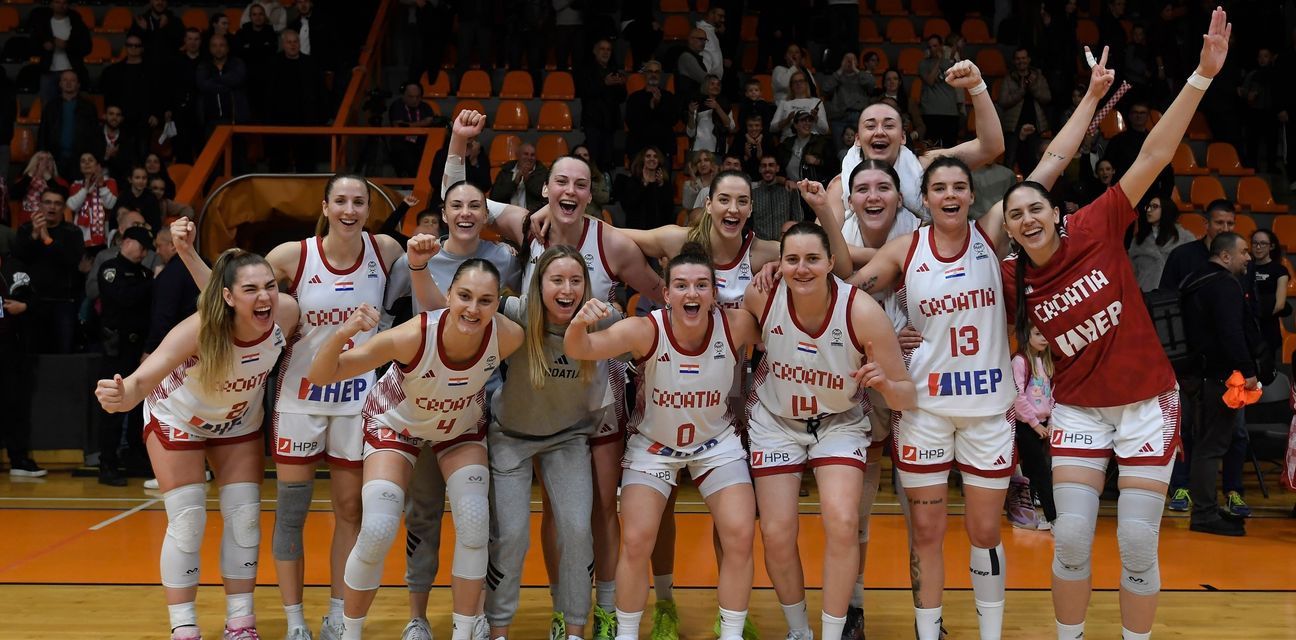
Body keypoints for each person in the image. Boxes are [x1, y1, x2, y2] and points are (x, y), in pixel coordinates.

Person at [998, 11, 1231, 637]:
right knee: (1072, 537)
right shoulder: (1011, 276)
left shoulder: (1097, 223)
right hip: (1079, 407)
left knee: (1135, 544)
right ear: (1009, 230)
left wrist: (1202, 77)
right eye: (1015, 214)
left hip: (1147, 402)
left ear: (1055, 211)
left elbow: (1154, 152)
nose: (1027, 218)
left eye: (1035, 207)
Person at [171, 174, 441, 640]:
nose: (350, 210)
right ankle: (295, 620)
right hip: (300, 398)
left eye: (359, 202)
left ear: (368, 209)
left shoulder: (385, 250)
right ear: (325, 206)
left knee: (350, 510)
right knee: (292, 513)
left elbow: (424, 299)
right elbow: (226, 297)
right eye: (341, 201)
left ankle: (337, 614)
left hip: (357, 399)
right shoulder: (292, 255)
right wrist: (188, 253)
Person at [444, 109, 667, 640]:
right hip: (528, 383)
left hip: (590, 391)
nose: (570, 191)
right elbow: (460, 202)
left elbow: (664, 296)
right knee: (521, 529)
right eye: (561, 182)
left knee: (591, 514)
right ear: (546, 189)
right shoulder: (526, 228)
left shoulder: (612, 244)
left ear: (591, 194)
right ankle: (529, 615)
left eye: (580, 184)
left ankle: (596, 611)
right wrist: (457, 143)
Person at [306, 261, 524, 640]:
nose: (473, 308)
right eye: (465, 296)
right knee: (378, 529)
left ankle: (463, 632)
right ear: (448, 296)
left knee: (474, 522)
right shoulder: (411, 336)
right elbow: (320, 375)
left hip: (458, 426)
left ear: (497, 303)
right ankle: (350, 633)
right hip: (396, 424)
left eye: (485, 300)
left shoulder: (509, 336)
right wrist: (343, 332)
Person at [94, 248, 301, 640]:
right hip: (178, 417)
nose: (265, 297)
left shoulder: (287, 314)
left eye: (270, 286)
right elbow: (139, 382)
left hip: (238, 421)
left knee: (245, 518)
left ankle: (240, 623)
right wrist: (119, 396)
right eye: (251, 289)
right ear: (228, 297)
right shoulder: (198, 330)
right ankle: (184, 627)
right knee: (188, 521)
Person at [563, 245, 762, 640]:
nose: (692, 293)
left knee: (740, 534)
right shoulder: (646, 330)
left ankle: (732, 633)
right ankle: (627, 634)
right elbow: (578, 348)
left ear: (714, 293)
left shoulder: (736, 325)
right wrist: (578, 323)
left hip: (715, 443)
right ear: (667, 294)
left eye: (702, 285)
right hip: (654, 447)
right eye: (682, 285)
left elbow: (784, 330)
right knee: (637, 541)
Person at [742, 221, 914, 640]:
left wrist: (885, 384)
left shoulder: (862, 312)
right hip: (776, 421)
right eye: (792, 259)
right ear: (779, 264)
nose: (802, 268)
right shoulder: (761, 296)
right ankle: (799, 631)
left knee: (842, 521)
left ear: (832, 262)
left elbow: (906, 395)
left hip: (838, 422)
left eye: (812, 259)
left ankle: (834, 633)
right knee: (776, 533)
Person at [380, 181, 519, 640]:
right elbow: (389, 323)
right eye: (456, 205)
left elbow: (515, 320)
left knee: (480, 519)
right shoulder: (415, 259)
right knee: (422, 513)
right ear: (443, 212)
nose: (465, 213)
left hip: (480, 406)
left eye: (475, 206)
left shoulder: (504, 260)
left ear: (486, 214)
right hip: (422, 402)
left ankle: (473, 616)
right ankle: (417, 617)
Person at [484, 246, 620, 640]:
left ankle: (574, 628)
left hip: (568, 437)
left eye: (575, 280)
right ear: (539, 285)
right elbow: (461, 311)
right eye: (556, 280)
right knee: (511, 537)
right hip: (510, 437)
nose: (567, 289)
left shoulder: (601, 318)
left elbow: (647, 337)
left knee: (577, 531)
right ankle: (497, 630)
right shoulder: (517, 312)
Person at [839, 59, 1004, 227]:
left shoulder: (924, 166)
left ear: (903, 138)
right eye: (870, 126)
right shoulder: (841, 185)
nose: (879, 132)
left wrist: (977, 86)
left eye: (889, 125)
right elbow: (831, 239)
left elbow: (990, 147)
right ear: (857, 139)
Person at [1182, 231, 1257, 537]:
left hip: (1193, 375)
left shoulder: (1193, 279)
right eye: (1244, 252)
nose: (1249, 258)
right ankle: (1205, 513)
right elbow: (1231, 332)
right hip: (1215, 378)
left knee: (1204, 443)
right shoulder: (1224, 284)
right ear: (1225, 256)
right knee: (1211, 446)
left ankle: (1206, 508)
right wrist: (1248, 369)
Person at [94, 226, 156, 486]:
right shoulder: (110, 269)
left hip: (139, 349)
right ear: (127, 242)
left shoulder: (145, 273)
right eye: (141, 247)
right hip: (116, 348)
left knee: (139, 405)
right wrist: (151, 284)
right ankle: (107, 462)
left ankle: (134, 455)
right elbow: (124, 298)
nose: (144, 253)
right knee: (113, 406)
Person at [13, 187, 82, 353]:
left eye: (57, 203)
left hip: (63, 302)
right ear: (40, 205)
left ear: (63, 208)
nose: (52, 207)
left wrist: (47, 239)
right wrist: (34, 236)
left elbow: (71, 261)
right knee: (31, 354)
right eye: (48, 202)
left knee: (63, 354)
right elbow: (18, 258)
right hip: (31, 302)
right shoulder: (26, 229)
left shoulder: (73, 232)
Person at [1009, 322, 1057, 530]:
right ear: (1026, 335)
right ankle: (1054, 518)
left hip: (1042, 425)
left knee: (1031, 472)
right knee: (1042, 471)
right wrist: (1035, 424)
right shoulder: (1020, 361)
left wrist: (1050, 422)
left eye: (1046, 333)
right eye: (1038, 333)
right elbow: (1017, 396)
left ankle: (1025, 517)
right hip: (1026, 425)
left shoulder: (1046, 362)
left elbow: (1052, 396)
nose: (1043, 338)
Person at [0, 249, 44, 477]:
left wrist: (23, 307)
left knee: (14, 404)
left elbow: (36, 300)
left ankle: (18, 459)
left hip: (10, 348)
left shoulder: (13, 267)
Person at [1126, 189, 1193, 292]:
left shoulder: (1184, 238)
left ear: (1166, 210)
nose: (1149, 210)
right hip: (1145, 294)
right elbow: (1131, 272)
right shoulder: (1139, 239)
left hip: (1173, 295)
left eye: (1155, 206)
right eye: (1148, 207)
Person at [578, 38, 628, 173]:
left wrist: (621, 85)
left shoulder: (614, 71)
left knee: (607, 161)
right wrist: (604, 83)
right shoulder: (587, 70)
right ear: (595, 51)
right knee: (594, 159)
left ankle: (606, 184)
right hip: (593, 122)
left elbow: (622, 97)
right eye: (602, 49)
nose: (605, 52)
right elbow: (585, 92)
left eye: (608, 49)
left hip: (610, 123)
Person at [999, 47, 1052, 172]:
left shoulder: (1038, 77)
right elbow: (1003, 101)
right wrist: (1021, 91)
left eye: (1023, 58)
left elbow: (1047, 97)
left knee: (1034, 161)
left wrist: (1032, 88)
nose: (1021, 61)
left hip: (1035, 126)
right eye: (1018, 59)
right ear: (1014, 61)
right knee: (1010, 161)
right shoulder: (1008, 78)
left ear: (1028, 59)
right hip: (1013, 127)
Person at [37, 70, 99, 178]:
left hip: (80, 160)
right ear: (60, 84)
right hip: (55, 159)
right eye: (65, 80)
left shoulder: (88, 107)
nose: (68, 83)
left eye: (72, 80)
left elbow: (95, 134)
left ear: (78, 84)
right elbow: (43, 133)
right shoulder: (50, 107)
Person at [30, 0, 91, 105]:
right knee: (48, 107)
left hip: (72, 71)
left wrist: (67, 45)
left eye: (64, 3)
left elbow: (87, 47)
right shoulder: (42, 23)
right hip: (48, 72)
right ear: (51, 4)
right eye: (57, 2)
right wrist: (44, 46)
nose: (61, 5)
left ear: (68, 5)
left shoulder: (76, 22)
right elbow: (32, 46)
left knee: (73, 106)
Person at [624, 60, 681, 168]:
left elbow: (673, 120)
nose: (653, 75)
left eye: (657, 72)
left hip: (663, 149)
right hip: (639, 149)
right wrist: (650, 106)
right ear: (645, 74)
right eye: (650, 71)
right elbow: (632, 123)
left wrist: (658, 105)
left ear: (661, 75)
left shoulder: (669, 97)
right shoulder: (634, 98)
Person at [1248, 228, 1289, 376]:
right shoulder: (1246, 267)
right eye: (1255, 243)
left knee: (1267, 371)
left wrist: (1258, 315)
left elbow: (1280, 304)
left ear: (1271, 246)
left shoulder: (1279, 270)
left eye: (1263, 243)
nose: (1258, 247)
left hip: (1268, 326)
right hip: (1248, 326)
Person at [67, 153, 119, 251]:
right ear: (80, 167)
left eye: (90, 160)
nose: (87, 163)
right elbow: (72, 206)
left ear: (98, 165)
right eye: (83, 161)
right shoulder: (76, 185)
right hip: (81, 236)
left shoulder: (110, 182)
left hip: (103, 236)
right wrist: (85, 188)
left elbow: (110, 205)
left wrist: (101, 185)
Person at [820, 53, 874, 147]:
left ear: (857, 63)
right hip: (839, 118)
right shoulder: (836, 77)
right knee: (840, 149)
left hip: (858, 117)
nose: (849, 62)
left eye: (852, 60)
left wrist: (855, 70)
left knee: (859, 148)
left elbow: (871, 84)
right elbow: (825, 88)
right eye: (847, 59)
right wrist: (841, 70)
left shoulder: (862, 76)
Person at [615, 146, 674, 230]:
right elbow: (629, 205)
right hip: (638, 230)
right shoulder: (634, 181)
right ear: (642, 159)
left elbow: (669, 210)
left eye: (655, 156)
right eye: (648, 156)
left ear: (659, 160)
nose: (652, 159)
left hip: (660, 230)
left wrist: (661, 185)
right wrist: (644, 184)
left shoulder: (665, 183)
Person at [388, 82, 438, 177]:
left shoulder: (425, 106)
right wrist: (422, 124)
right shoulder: (397, 106)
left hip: (422, 141)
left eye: (417, 97)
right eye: (411, 97)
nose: (414, 100)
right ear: (403, 95)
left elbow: (430, 121)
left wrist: (409, 125)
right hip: (403, 141)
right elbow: (398, 125)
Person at [11, 152, 69, 228]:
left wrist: (48, 177)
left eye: (49, 159)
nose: (45, 162)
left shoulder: (60, 182)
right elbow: (13, 195)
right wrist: (30, 175)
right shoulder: (23, 180)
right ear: (33, 163)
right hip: (27, 223)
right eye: (41, 159)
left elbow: (64, 197)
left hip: (53, 224)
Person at [751, 155, 802, 241]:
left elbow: (797, 218)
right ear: (760, 169)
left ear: (777, 168)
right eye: (764, 166)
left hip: (784, 242)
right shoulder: (753, 192)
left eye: (771, 165)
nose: (767, 169)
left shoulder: (789, 190)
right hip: (760, 243)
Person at [488, 143, 548, 212]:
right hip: (507, 214)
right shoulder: (506, 171)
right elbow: (494, 196)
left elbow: (545, 196)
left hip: (531, 214)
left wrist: (528, 181)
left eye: (532, 155)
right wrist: (514, 183)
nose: (529, 158)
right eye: (526, 154)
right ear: (518, 156)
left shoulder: (542, 172)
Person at [771, 71, 828, 141]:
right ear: (791, 86)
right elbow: (772, 128)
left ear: (806, 84)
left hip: (811, 142)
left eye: (801, 81)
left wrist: (816, 118)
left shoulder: (816, 102)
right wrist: (787, 120)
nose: (798, 84)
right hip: (789, 141)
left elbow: (825, 130)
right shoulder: (784, 103)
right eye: (795, 82)